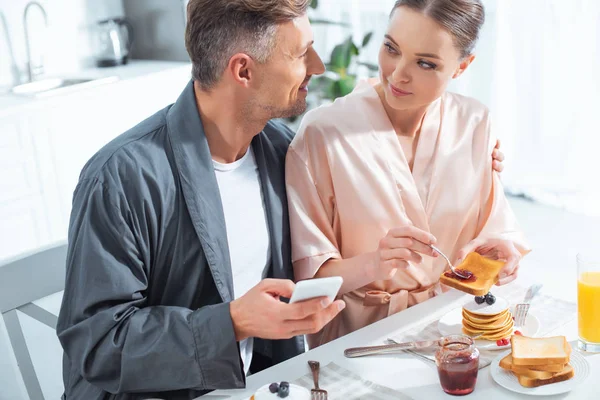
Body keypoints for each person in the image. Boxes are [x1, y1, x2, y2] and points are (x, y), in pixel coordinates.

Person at [56, 1, 346, 399]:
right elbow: (98, 344)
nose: (317, 66)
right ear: (243, 70)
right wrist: (232, 322)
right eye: (300, 53)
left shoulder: (282, 152)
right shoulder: (121, 178)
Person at [285, 0, 530, 349]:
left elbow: (494, 235)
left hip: (457, 327)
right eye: (391, 48)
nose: (398, 73)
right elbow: (311, 279)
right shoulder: (323, 134)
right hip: (359, 339)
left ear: (462, 67)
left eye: (425, 63)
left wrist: (499, 254)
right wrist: (374, 264)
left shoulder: (475, 124)